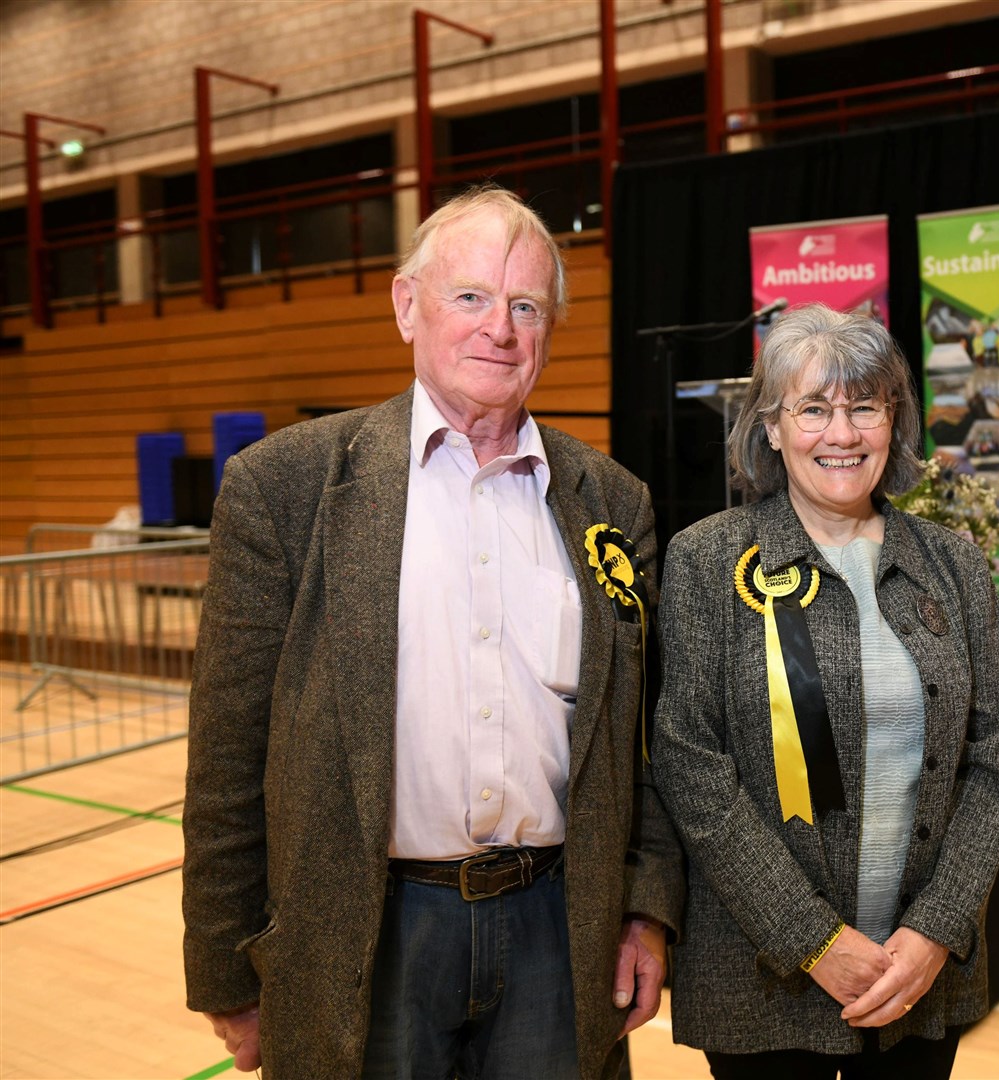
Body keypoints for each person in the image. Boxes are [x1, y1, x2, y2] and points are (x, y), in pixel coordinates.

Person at [181, 185, 683, 1078]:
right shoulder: (284, 488)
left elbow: (640, 742)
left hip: (558, 929)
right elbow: (227, 751)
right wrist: (227, 968)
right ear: (406, 306)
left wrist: (642, 913)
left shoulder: (611, 500)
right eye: (471, 297)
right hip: (363, 929)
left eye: (526, 306)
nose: (501, 327)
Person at [651, 303, 999, 1079]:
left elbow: (993, 763)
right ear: (771, 427)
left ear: (895, 421)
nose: (842, 433)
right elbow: (689, 761)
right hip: (764, 972)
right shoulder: (706, 560)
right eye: (813, 408)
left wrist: (936, 929)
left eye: (864, 406)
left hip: (917, 971)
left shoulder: (953, 565)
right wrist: (809, 938)